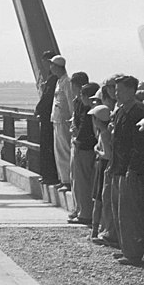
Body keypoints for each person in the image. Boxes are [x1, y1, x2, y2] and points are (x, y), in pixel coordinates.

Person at [111, 75, 144, 266]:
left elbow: (138, 145)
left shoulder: (138, 111)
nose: (117, 94)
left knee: (132, 212)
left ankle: (134, 252)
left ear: (131, 90)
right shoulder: (121, 111)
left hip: (132, 169)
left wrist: (133, 167)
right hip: (119, 166)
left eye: (120, 90)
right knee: (122, 211)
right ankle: (127, 248)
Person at [68, 81, 98, 224]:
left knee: (82, 182)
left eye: (82, 95)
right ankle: (81, 210)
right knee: (82, 182)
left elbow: (84, 131)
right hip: (86, 148)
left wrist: (76, 139)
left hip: (84, 148)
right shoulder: (90, 110)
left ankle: (84, 213)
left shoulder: (88, 112)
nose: (80, 97)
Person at [34, 51, 60, 185]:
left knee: (47, 146)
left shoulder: (53, 79)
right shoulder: (54, 78)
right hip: (51, 117)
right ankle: (50, 175)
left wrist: (38, 109)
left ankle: (49, 175)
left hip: (48, 118)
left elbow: (47, 97)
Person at [88, 103, 112, 241]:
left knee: (98, 199)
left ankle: (95, 230)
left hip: (103, 165)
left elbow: (107, 154)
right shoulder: (105, 132)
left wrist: (97, 150)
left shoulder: (104, 134)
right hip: (102, 166)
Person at [49, 55, 73, 191]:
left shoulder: (67, 82)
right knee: (59, 151)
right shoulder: (59, 81)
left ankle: (68, 181)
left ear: (58, 67)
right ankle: (63, 179)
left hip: (64, 121)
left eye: (52, 65)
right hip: (57, 120)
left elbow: (70, 101)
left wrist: (72, 119)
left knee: (65, 150)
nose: (50, 67)